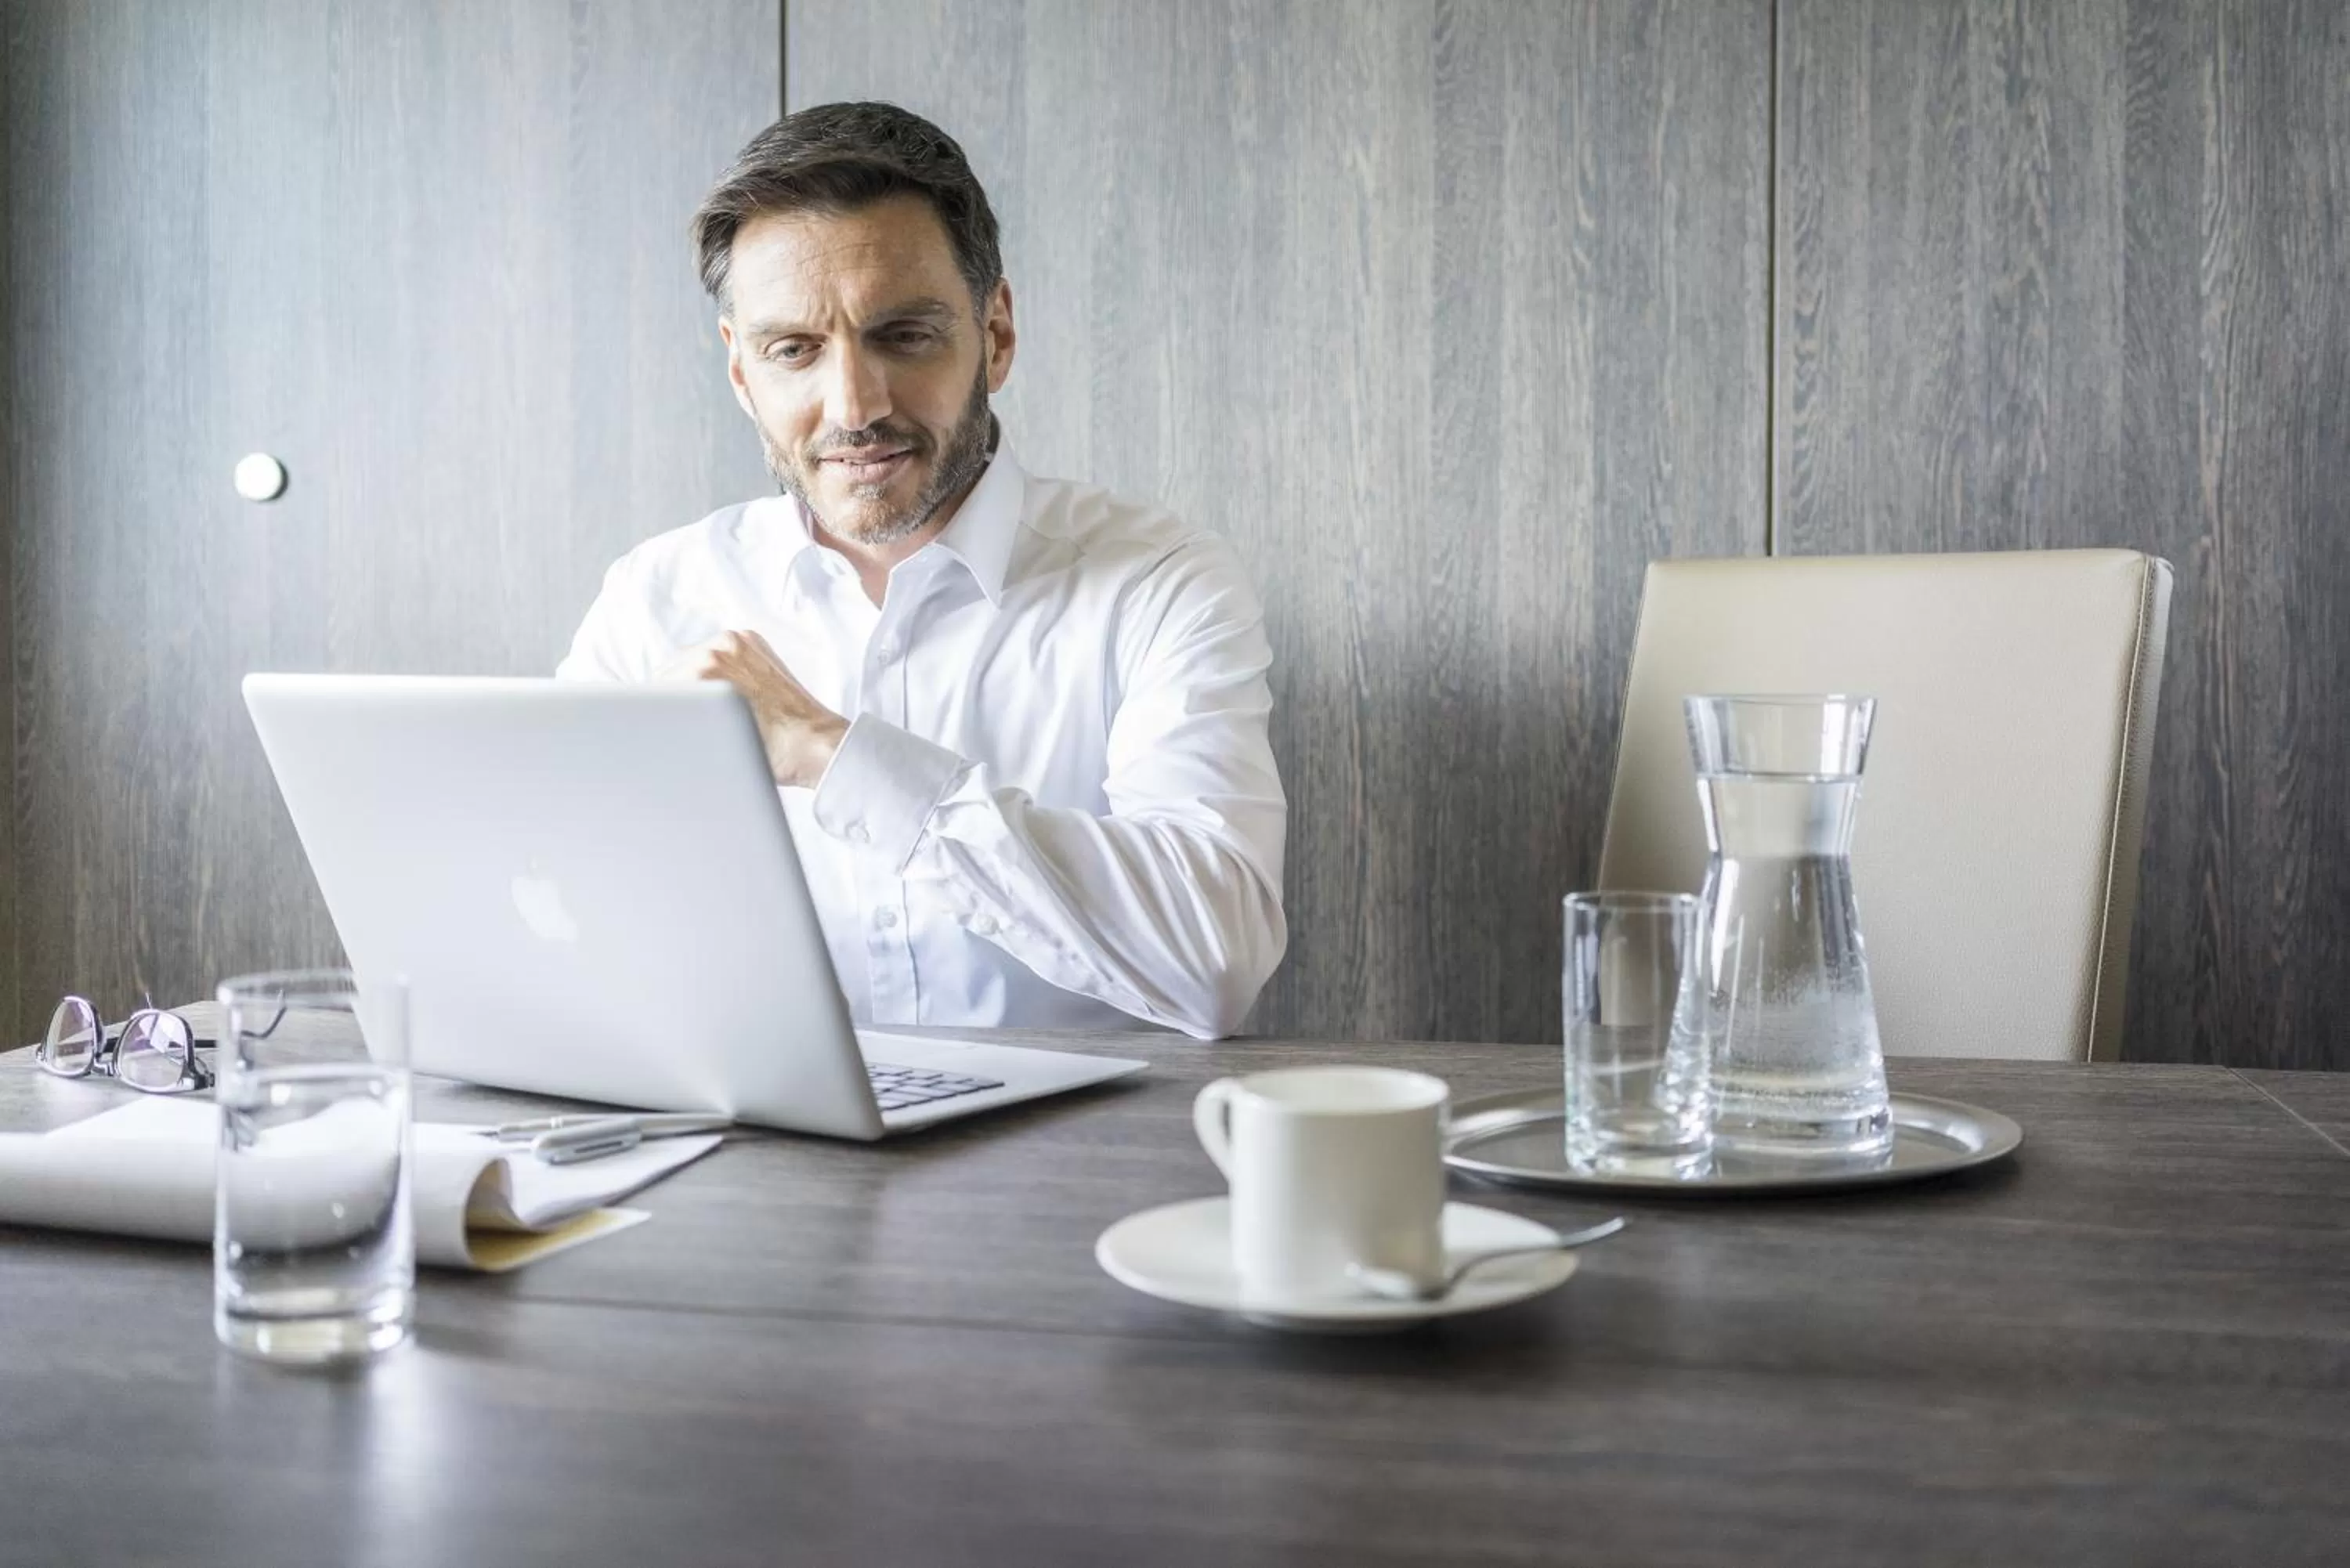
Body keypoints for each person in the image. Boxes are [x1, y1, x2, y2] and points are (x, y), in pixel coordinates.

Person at [559, 102, 1286, 1040]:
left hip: (1092, 1136)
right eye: (794, 350)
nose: (853, 407)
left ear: (996, 334)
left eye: (903, 335)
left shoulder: (1161, 586)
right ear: (742, 374)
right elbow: (547, 927)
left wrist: (833, 755)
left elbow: (1214, 960)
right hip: (759, 1129)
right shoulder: (653, 600)